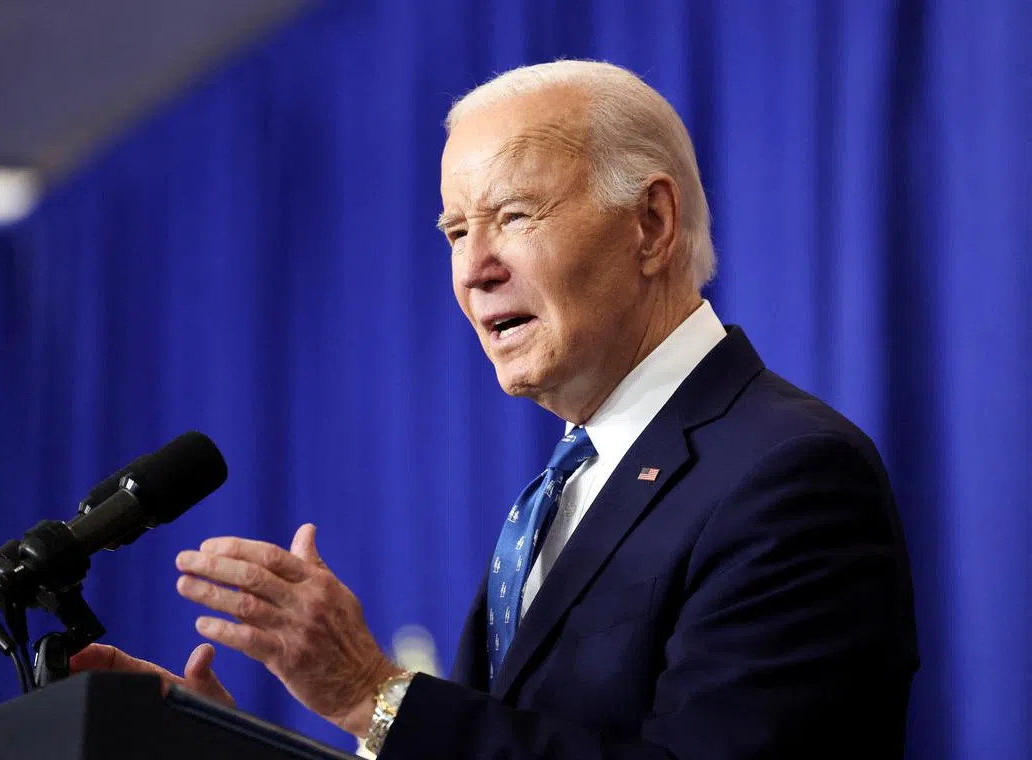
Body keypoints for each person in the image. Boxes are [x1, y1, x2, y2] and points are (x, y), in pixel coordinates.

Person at [71, 60, 919, 759]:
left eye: (513, 216)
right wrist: (228, 749)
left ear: (652, 225)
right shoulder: (568, 486)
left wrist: (377, 698)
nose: (473, 269)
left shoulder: (787, 472)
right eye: (453, 232)